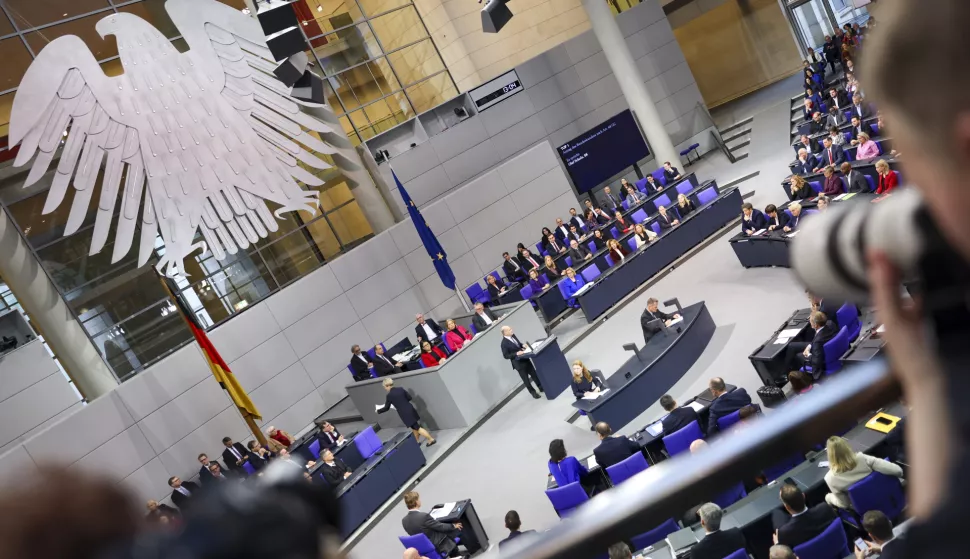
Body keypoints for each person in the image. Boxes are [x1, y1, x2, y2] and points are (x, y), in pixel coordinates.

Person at [824, 436, 904, 511]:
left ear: (830, 455)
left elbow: (845, 504)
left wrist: (829, 498)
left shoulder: (830, 479)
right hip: (890, 501)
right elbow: (897, 471)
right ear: (847, 447)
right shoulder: (863, 459)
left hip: (868, 515)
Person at [772, 483, 837, 549]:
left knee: (776, 512)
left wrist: (777, 544)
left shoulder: (785, 533)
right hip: (835, 548)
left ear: (787, 507)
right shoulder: (825, 508)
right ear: (803, 496)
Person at [378, 378, 436, 446]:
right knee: (414, 427)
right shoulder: (401, 389)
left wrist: (378, 411)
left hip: (405, 413)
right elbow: (409, 398)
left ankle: (431, 439)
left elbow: (386, 408)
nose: (385, 389)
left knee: (417, 428)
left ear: (387, 385)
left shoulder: (389, 395)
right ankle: (417, 442)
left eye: (384, 387)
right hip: (410, 409)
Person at [402, 491, 461, 557]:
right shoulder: (424, 516)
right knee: (454, 528)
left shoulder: (404, 521)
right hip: (438, 545)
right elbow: (441, 527)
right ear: (416, 501)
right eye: (418, 499)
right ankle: (456, 555)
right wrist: (453, 526)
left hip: (424, 549)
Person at [785, 311, 838, 378]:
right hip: (823, 347)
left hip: (822, 358)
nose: (810, 323)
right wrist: (810, 346)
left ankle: (794, 377)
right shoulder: (830, 324)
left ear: (816, 325)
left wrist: (808, 354)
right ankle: (787, 371)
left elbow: (816, 362)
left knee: (798, 356)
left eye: (811, 322)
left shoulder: (817, 342)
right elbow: (819, 339)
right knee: (792, 346)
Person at [500, 325, 543, 398]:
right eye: (509, 329)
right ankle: (533, 393)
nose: (511, 330)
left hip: (525, 358)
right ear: (505, 332)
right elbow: (506, 356)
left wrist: (523, 345)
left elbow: (518, 344)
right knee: (526, 380)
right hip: (518, 363)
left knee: (534, 374)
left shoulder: (513, 336)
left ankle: (541, 387)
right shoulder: (503, 343)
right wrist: (516, 353)